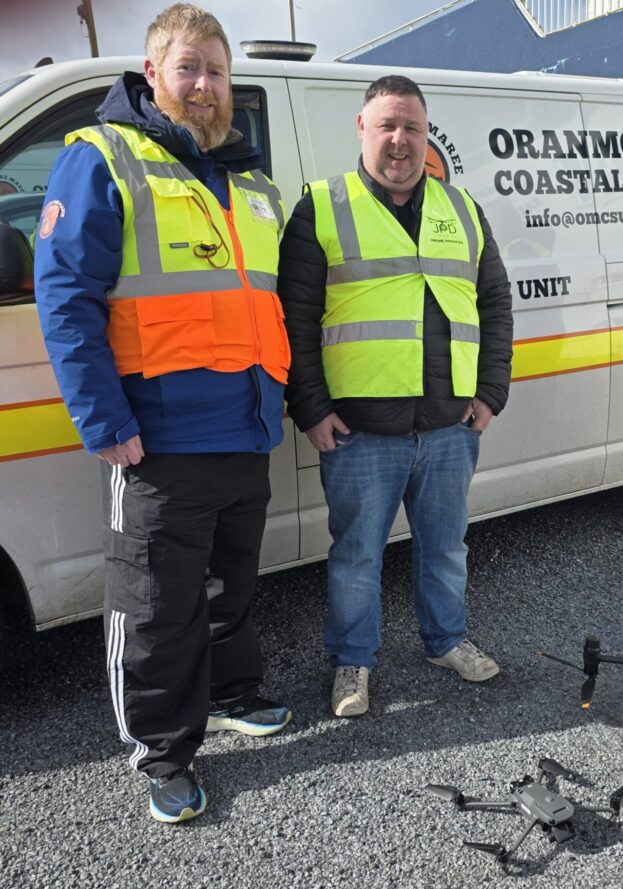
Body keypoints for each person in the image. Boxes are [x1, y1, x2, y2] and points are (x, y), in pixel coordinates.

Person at [34, 4, 293, 823]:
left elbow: (266, 303)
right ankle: (161, 749)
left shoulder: (249, 179)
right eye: (189, 69)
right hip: (157, 436)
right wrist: (104, 421)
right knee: (153, 603)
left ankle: (230, 692)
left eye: (217, 71)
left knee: (230, 582)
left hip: (246, 425)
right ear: (153, 75)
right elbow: (65, 298)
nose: (205, 85)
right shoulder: (105, 157)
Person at [277, 75, 513, 717]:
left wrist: (490, 392)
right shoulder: (322, 207)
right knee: (356, 557)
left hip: (449, 426)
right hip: (359, 432)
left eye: (412, 127)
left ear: (426, 133)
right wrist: (312, 408)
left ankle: (447, 641)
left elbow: (493, 303)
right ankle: (352, 663)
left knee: (446, 546)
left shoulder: (461, 208)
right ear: (363, 128)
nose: (400, 140)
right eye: (387, 125)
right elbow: (294, 319)